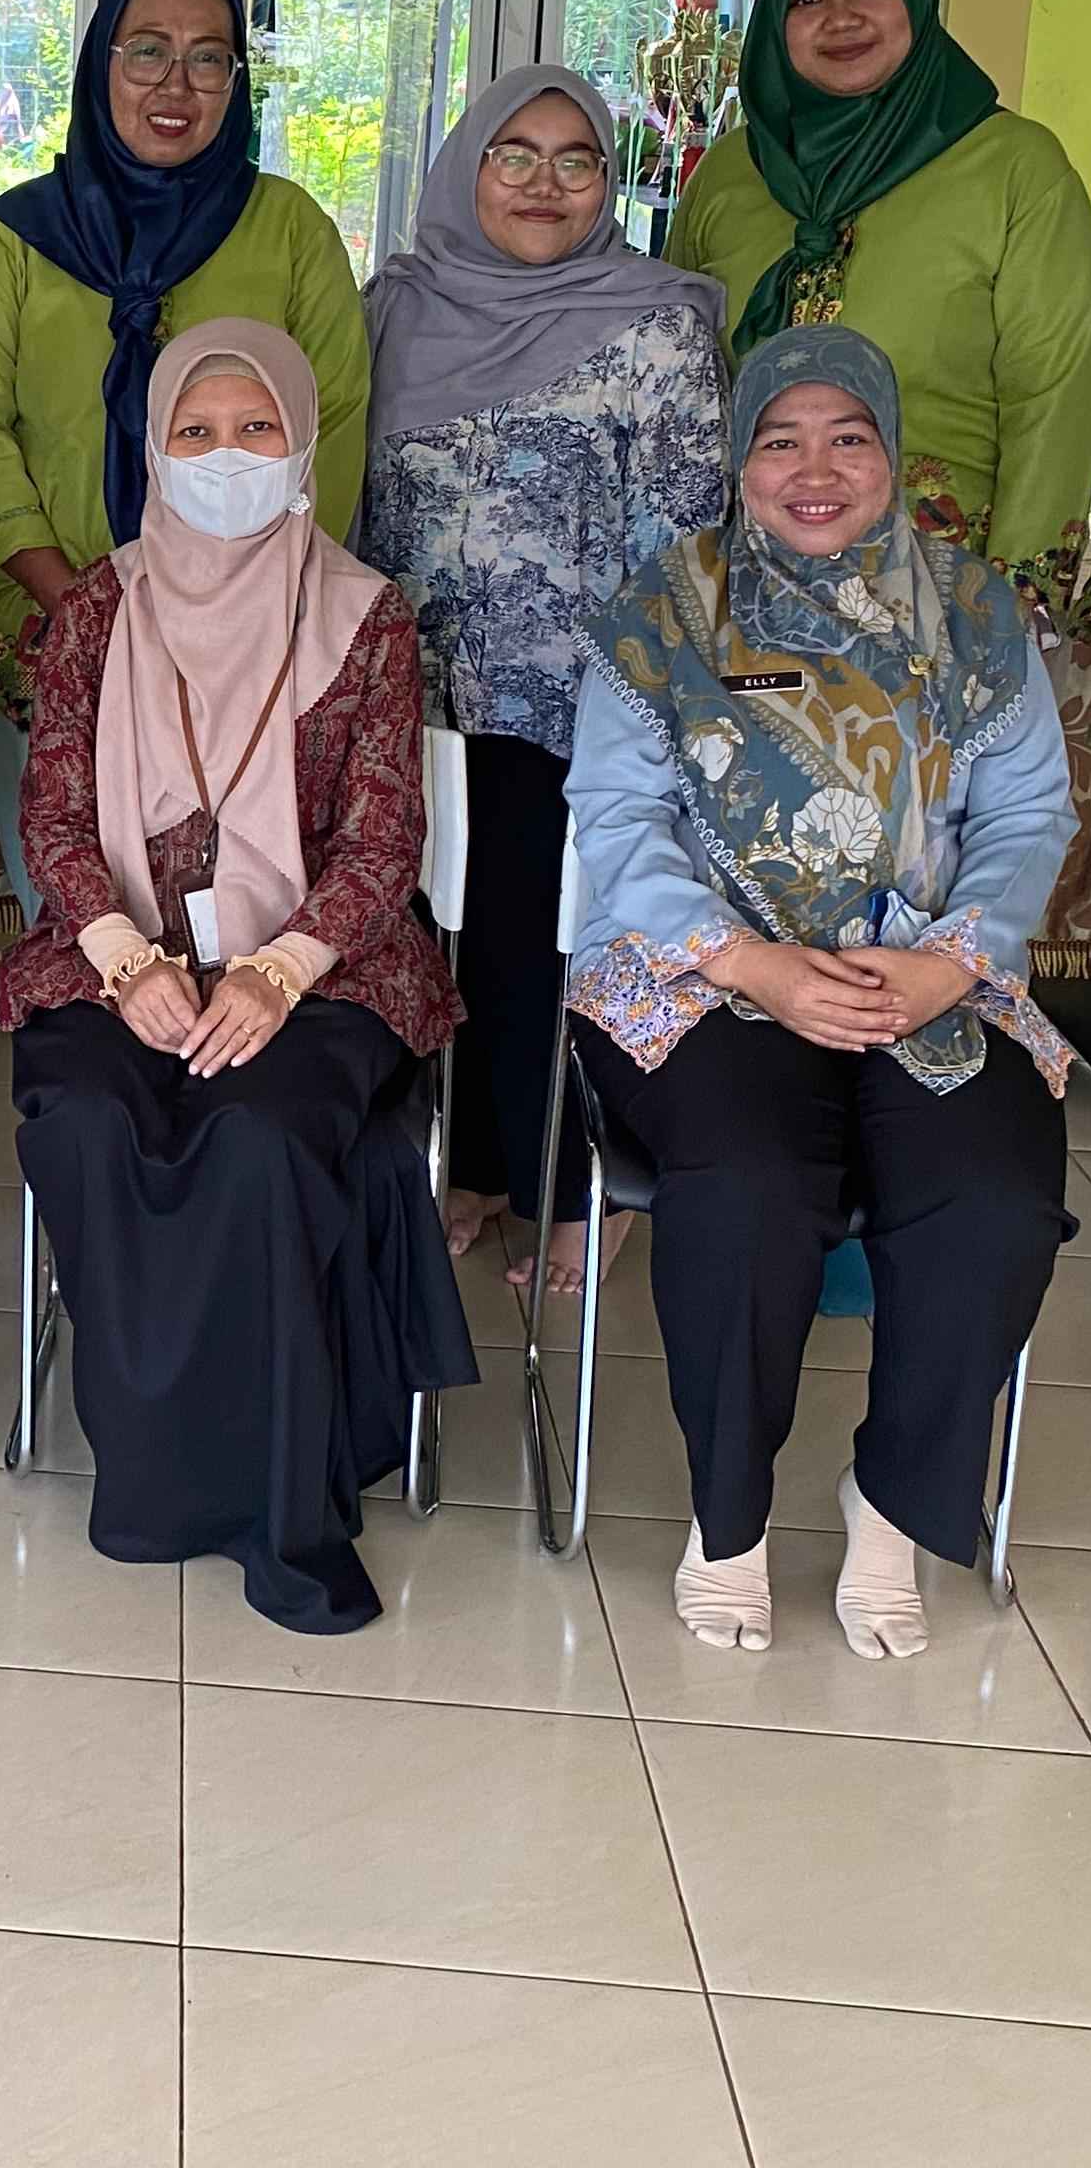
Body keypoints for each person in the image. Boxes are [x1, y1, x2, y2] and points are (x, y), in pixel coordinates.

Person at [567, 324, 1076, 1661]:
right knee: (743, 1186)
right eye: (780, 440)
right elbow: (616, 820)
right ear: (740, 459)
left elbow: (1030, 815)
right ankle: (727, 1521)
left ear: (891, 454)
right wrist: (750, 961)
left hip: (929, 970)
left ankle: (894, 1505)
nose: (814, 471)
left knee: (993, 1199)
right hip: (705, 973)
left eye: (848, 438)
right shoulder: (666, 610)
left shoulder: (976, 614)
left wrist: (951, 959)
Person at [0, 321, 475, 1635]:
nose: (225, 456)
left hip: (326, 970)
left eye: (255, 428)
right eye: (194, 431)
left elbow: (383, 840)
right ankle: (156, 1479)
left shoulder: (367, 617)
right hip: (111, 952)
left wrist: (275, 972)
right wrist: (123, 960)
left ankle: (275, 1504)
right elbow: (51, 816)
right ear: (153, 450)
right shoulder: (98, 609)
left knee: (259, 1138)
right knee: (92, 1121)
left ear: (303, 443)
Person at [660, 0, 1091, 1023]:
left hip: (939, 590)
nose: (840, 18)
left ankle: (919, 1075)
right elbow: (683, 375)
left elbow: (1059, 392)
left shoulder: (1011, 168)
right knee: (768, 856)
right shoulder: (733, 178)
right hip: (762, 592)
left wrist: (1006, 598)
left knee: (927, 868)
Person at [358, 66, 729, 1289]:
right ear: (466, 165)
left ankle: (573, 1186)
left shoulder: (658, 321)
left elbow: (688, 539)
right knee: (428, 936)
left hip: (580, 711)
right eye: (513, 153)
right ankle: (469, 1164)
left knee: (543, 944)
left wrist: (658, 721)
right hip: (412, 701)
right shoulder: (395, 308)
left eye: (578, 160)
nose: (544, 183)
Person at [0, 0, 368, 902]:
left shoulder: (290, 230)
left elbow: (330, 424)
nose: (176, 85)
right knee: (78, 907)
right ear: (102, 64)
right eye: (148, 52)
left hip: (253, 635)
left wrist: (241, 607)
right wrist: (83, 606)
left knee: (238, 901)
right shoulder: (16, 237)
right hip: (48, 620)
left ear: (236, 82)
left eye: (208, 58)